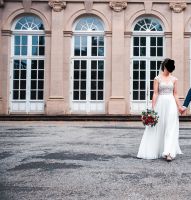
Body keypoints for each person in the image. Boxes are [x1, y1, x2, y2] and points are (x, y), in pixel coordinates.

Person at [137, 58, 183, 162]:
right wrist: (152, 108)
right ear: (165, 67)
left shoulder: (174, 79)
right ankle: (156, 149)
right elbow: (155, 93)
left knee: (171, 127)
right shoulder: (157, 79)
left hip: (171, 104)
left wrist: (179, 107)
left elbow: (175, 94)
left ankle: (169, 152)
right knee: (158, 127)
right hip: (160, 104)